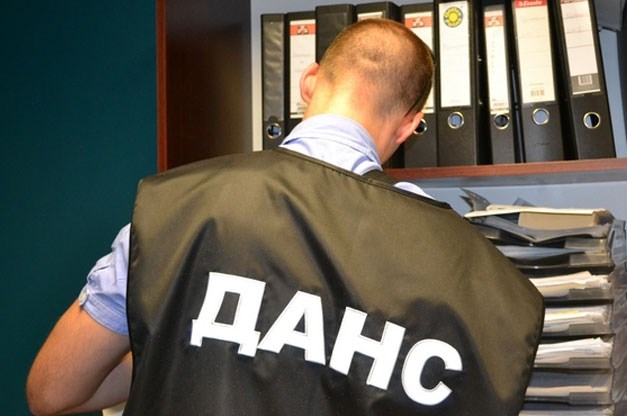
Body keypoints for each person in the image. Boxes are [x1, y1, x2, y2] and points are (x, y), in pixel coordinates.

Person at [27, 18, 543, 416]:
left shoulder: (175, 208)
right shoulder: (469, 270)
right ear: (410, 125)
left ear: (309, 81)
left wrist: (185, 335)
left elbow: (52, 391)